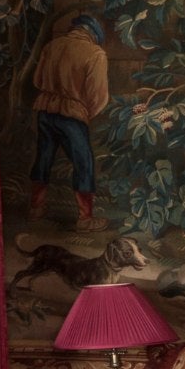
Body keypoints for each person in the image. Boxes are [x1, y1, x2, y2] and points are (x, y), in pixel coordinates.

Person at [28, 13, 110, 229]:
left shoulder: (51, 46)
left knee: (44, 157)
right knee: (84, 163)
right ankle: (85, 219)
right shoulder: (95, 53)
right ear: (93, 35)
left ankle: (36, 208)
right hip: (73, 115)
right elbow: (98, 96)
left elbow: (37, 80)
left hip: (45, 110)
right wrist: (85, 112)